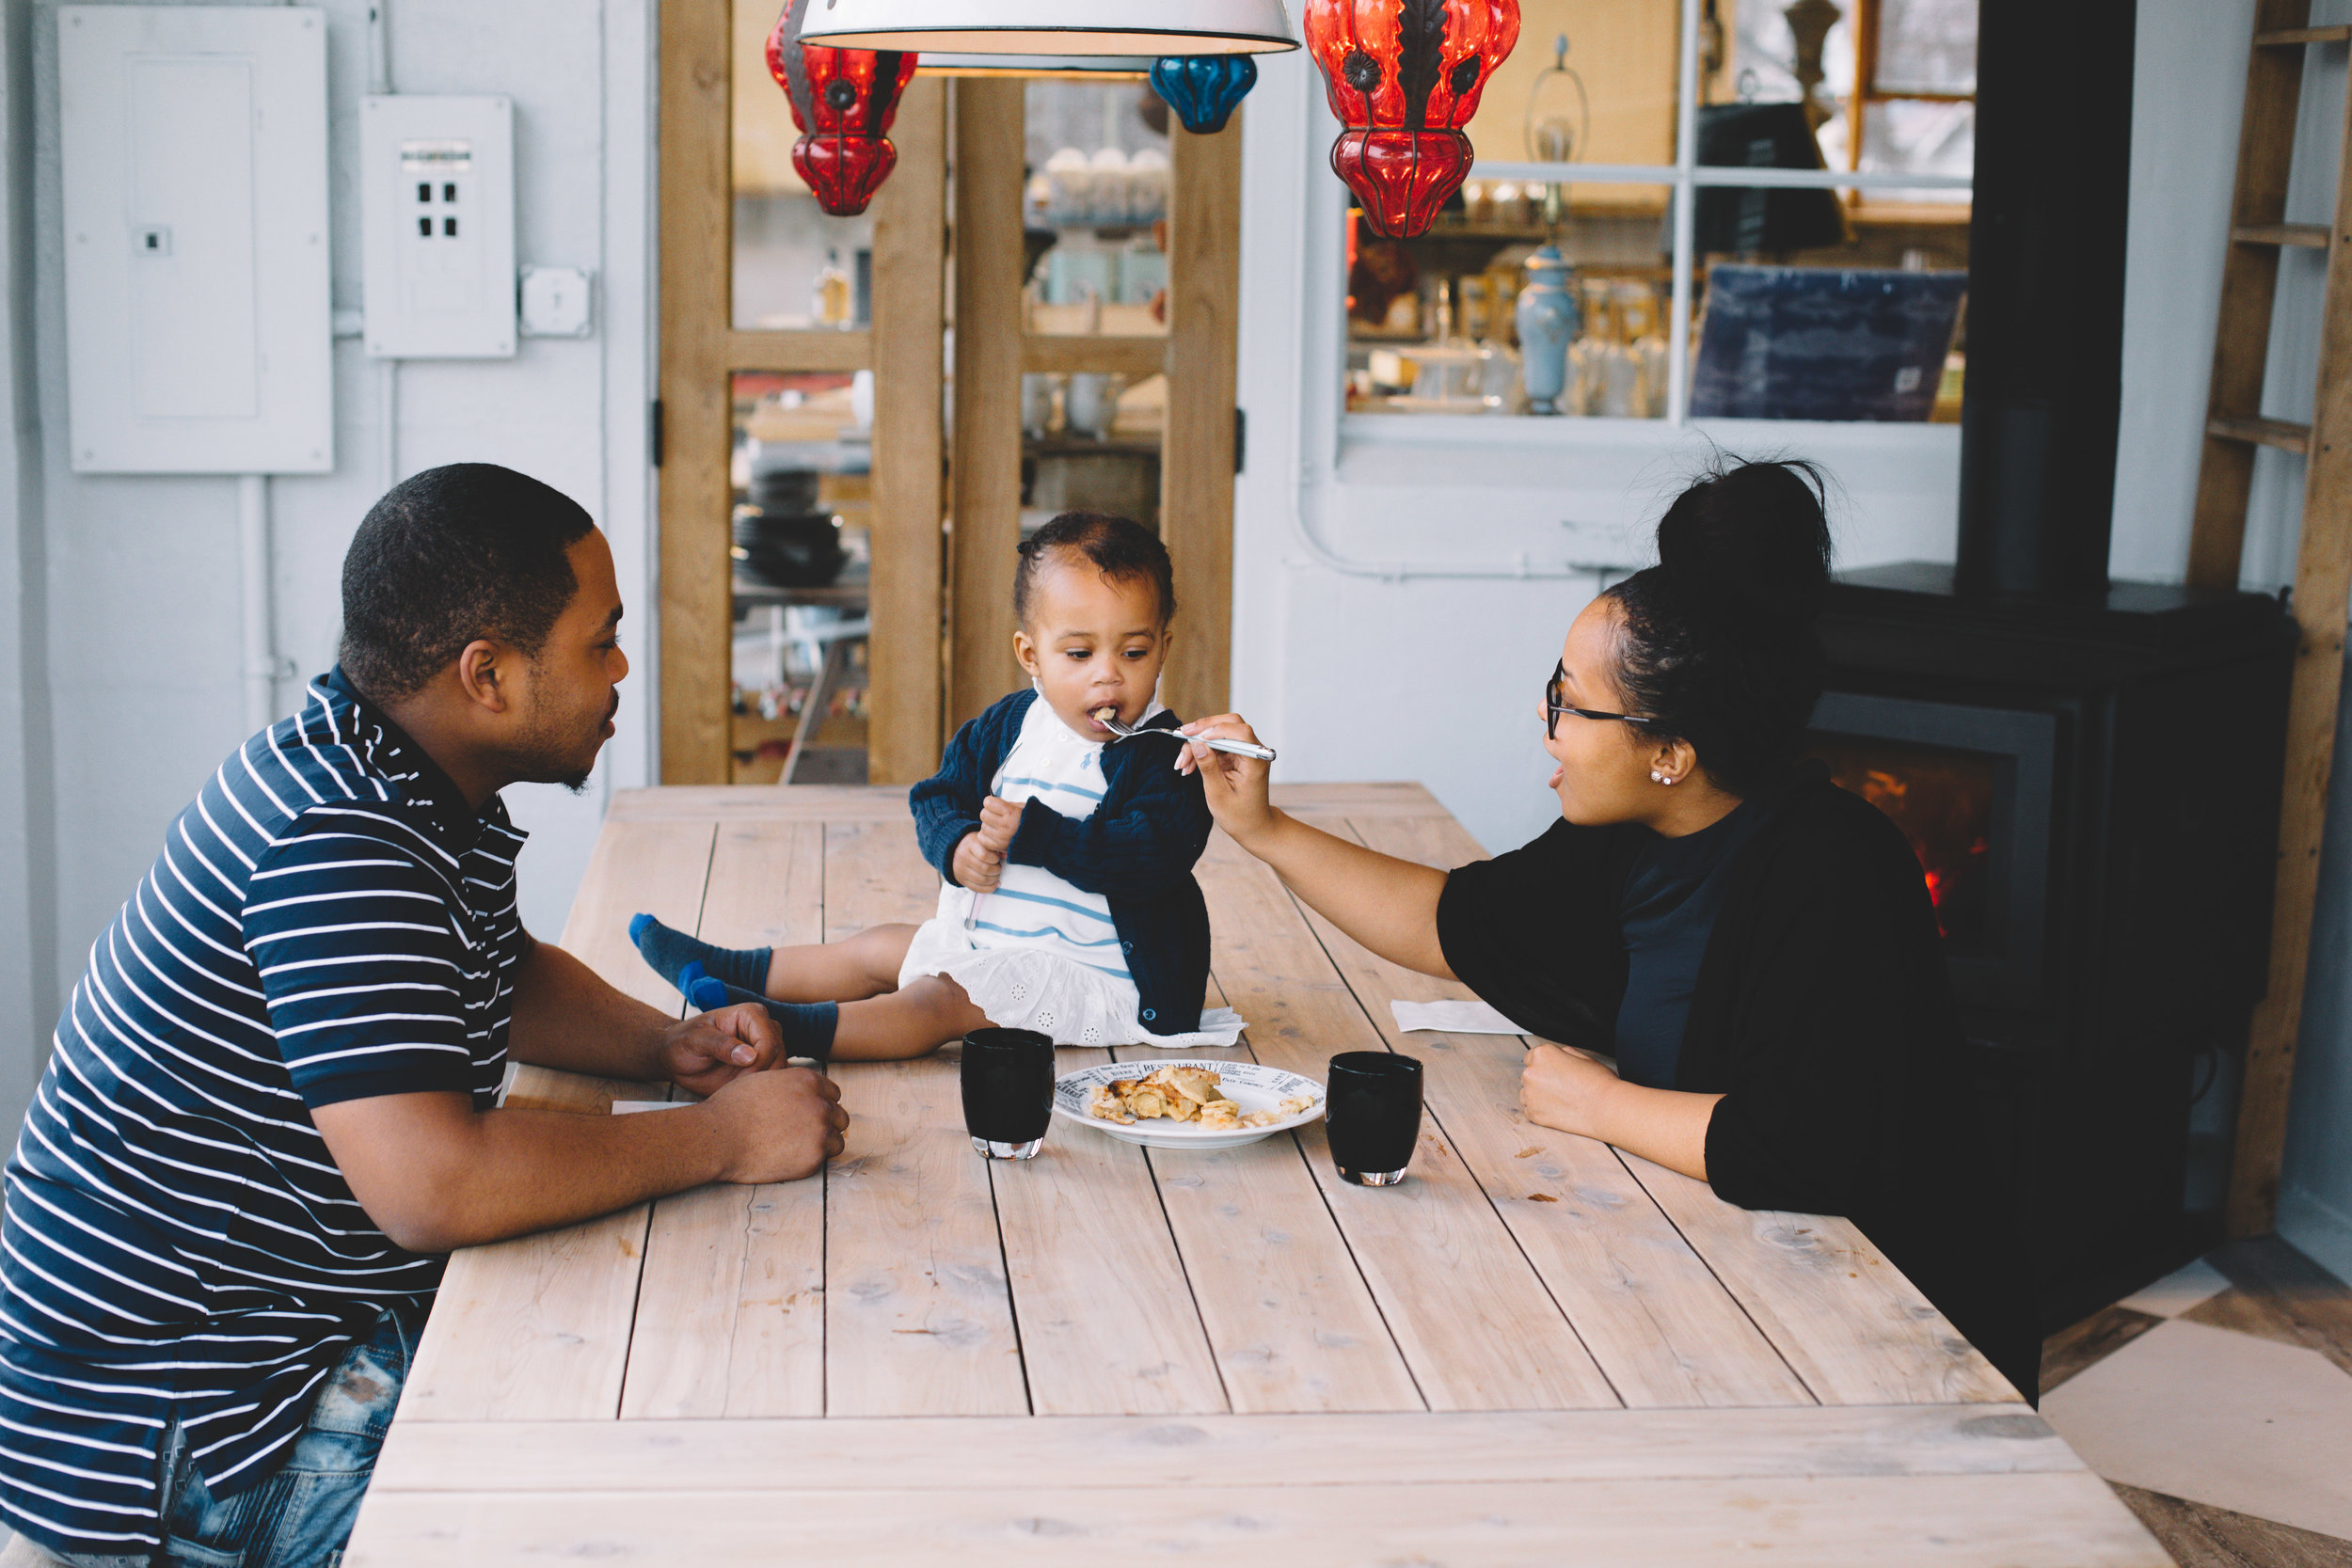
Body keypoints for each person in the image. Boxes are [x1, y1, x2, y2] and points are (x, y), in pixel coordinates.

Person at [0, 465, 848, 1568]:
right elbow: (436, 1185)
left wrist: (664, 1043)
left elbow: (497, 968)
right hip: (189, 1424)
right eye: (600, 641)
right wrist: (723, 1138)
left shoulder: (395, 775)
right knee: (665, 1496)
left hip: (271, 1338)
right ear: (486, 674)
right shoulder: (336, 842)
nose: (622, 669)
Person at [1174, 460, 2038, 1402]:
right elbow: (1450, 920)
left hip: (1898, 1327)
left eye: (1571, 706)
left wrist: (1598, 1103)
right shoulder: (1630, 833)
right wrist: (1262, 829)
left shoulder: (1833, 870)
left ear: (1670, 752)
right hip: (1730, 1258)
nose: (1546, 729)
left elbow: (1801, 1148)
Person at [629, 511, 1243, 1055]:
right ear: (1031, 654)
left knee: (941, 1001)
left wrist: (1038, 835)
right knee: (875, 947)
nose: (1107, 678)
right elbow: (937, 796)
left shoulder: (1170, 755)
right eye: (1078, 654)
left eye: (1133, 653)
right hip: (994, 944)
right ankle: (725, 969)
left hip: (1100, 978)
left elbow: (1150, 854)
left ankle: (796, 1027)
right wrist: (956, 845)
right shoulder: (1009, 725)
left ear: (1162, 647)